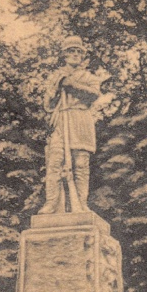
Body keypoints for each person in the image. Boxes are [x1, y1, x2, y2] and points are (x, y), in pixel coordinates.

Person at [39, 36, 101, 214]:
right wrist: (58, 86)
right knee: (55, 162)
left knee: (81, 164)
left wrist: (72, 85)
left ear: (82, 56)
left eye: (78, 51)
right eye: (71, 51)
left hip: (80, 120)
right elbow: (48, 104)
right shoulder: (56, 77)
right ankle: (51, 204)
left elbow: (93, 95)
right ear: (64, 55)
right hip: (61, 120)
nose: (75, 54)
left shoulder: (89, 77)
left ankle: (81, 204)